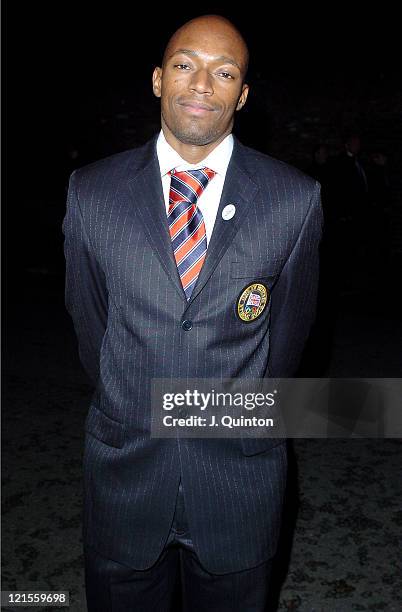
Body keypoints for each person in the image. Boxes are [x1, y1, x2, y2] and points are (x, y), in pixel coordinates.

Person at [62, 14, 322, 611]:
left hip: (239, 483)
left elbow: (288, 341)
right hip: (125, 477)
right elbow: (90, 326)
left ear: (243, 94)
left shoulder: (294, 199)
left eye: (224, 72)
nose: (202, 83)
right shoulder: (91, 193)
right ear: (158, 79)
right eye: (185, 64)